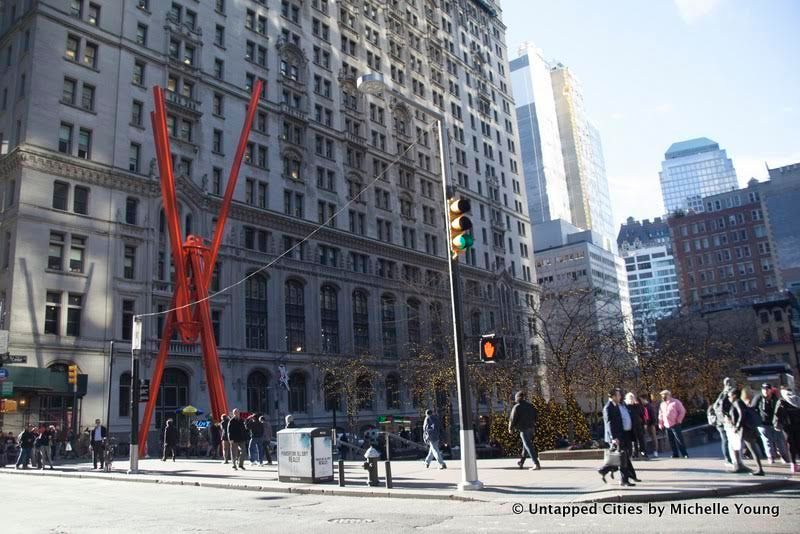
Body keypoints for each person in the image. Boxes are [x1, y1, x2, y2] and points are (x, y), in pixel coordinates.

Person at [599, 389, 636, 487]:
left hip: (621, 435)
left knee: (623, 457)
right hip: (616, 437)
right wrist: (614, 438)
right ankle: (624, 480)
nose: (620, 397)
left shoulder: (615, 406)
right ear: (613, 396)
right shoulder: (608, 407)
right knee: (623, 457)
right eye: (618, 395)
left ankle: (604, 470)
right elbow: (609, 424)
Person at [728, 388, 764, 475]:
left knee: (751, 448)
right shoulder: (739, 402)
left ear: (734, 395)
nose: (729, 398)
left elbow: (741, 414)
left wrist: (737, 426)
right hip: (745, 429)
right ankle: (740, 466)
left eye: (729, 396)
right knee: (741, 447)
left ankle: (760, 469)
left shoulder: (737, 402)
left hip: (745, 429)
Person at [752, 383, 789, 464]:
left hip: (776, 423)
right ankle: (770, 457)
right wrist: (756, 420)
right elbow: (753, 409)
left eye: (767, 389)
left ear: (770, 390)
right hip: (763, 424)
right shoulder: (758, 398)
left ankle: (783, 456)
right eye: (763, 389)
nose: (765, 391)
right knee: (767, 441)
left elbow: (781, 409)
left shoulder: (775, 398)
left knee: (780, 440)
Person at [508, 391, 540, 470]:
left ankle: (536, 463)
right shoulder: (531, 406)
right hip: (531, 428)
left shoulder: (517, 407)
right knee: (525, 446)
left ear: (517, 398)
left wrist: (510, 428)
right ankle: (521, 462)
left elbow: (512, 419)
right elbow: (536, 416)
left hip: (523, 428)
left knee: (528, 446)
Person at [774, 385, 800, 473]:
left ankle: (794, 465)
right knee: (796, 444)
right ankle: (795, 464)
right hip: (795, 425)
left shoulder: (782, 401)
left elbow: (776, 414)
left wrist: (776, 424)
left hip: (787, 426)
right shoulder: (797, 399)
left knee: (791, 445)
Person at [711, 377, 735, 466]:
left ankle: (728, 459)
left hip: (719, 421)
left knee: (725, 440)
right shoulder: (729, 393)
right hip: (726, 421)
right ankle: (730, 459)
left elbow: (715, 406)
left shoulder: (721, 394)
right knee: (729, 440)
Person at [658, 390, 688, 458]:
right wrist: (660, 424)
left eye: (665, 395)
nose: (663, 397)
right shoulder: (662, 404)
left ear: (669, 395)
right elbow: (660, 415)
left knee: (679, 440)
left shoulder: (675, 402)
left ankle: (684, 453)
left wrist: (679, 420)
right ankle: (675, 454)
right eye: (662, 396)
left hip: (675, 424)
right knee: (671, 440)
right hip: (667, 425)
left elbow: (682, 411)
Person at [625, 392, 648, 459]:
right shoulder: (626, 407)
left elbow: (642, 415)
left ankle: (643, 452)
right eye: (630, 398)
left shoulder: (638, 406)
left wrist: (644, 423)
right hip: (631, 426)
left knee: (641, 439)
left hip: (639, 425)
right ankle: (635, 454)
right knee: (633, 441)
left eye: (633, 398)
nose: (632, 399)